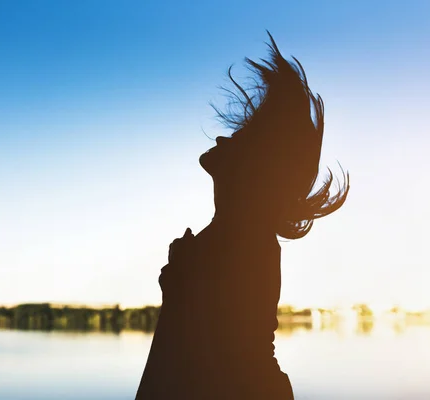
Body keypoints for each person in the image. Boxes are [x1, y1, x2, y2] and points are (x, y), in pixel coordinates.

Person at [135, 32, 350, 399]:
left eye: (239, 137)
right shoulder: (237, 236)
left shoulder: (243, 239)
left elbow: (213, 366)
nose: (222, 140)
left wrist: (181, 285)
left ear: (255, 169)